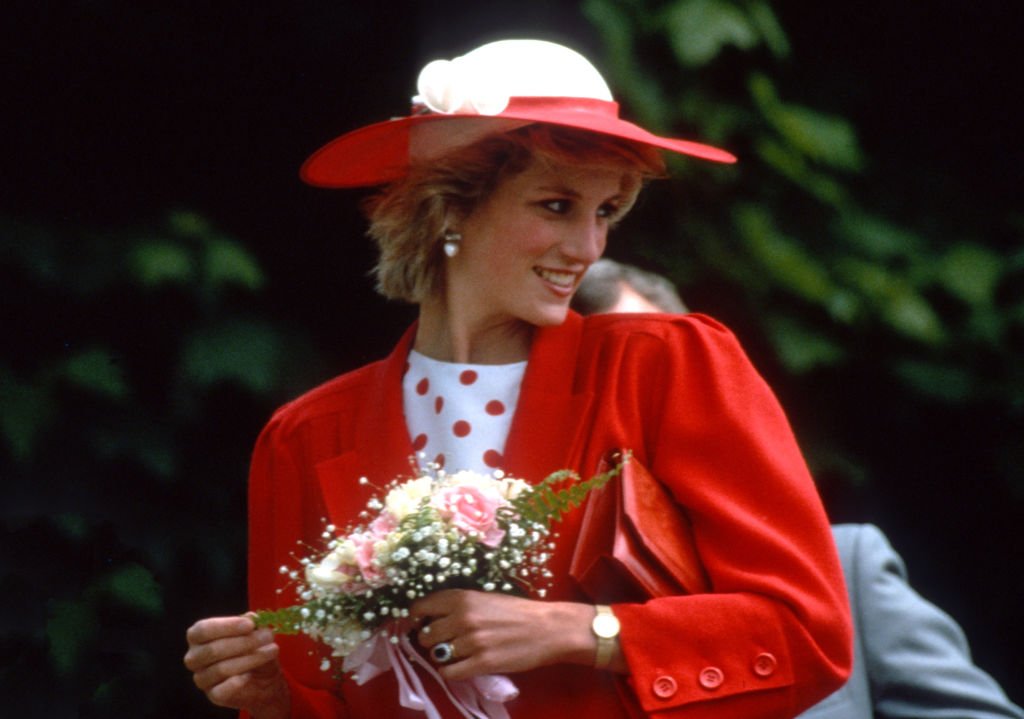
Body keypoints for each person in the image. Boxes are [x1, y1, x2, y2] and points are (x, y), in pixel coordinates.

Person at [184, 39, 853, 719]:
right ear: (449, 206)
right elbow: (327, 700)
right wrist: (275, 699)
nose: (588, 248)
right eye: (557, 205)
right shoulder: (304, 436)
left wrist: (577, 631)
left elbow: (808, 635)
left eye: (605, 212)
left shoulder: (665, 364)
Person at [575, 258, 1024, 719]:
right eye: (599, 384)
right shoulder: (522, 619)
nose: (630, 406)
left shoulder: (846, 572)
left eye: (656, 368)